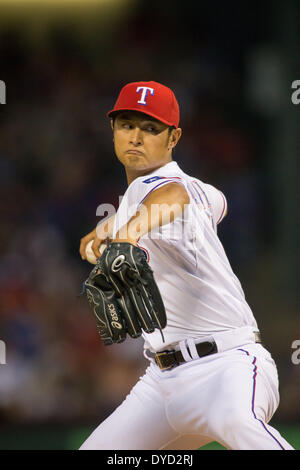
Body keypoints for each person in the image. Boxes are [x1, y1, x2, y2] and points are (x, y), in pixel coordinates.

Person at [78, 81, 294, 450]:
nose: (136, 137)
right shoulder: (192, 192)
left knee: (240, 425)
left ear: (173, 137)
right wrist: (107, 230)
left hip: (227, 366)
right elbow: (216, 200)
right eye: (127, 124)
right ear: (112, 129)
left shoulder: (171, 189)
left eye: (151, 128)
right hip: (161, 384)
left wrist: (127, 233)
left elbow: (172, 197)